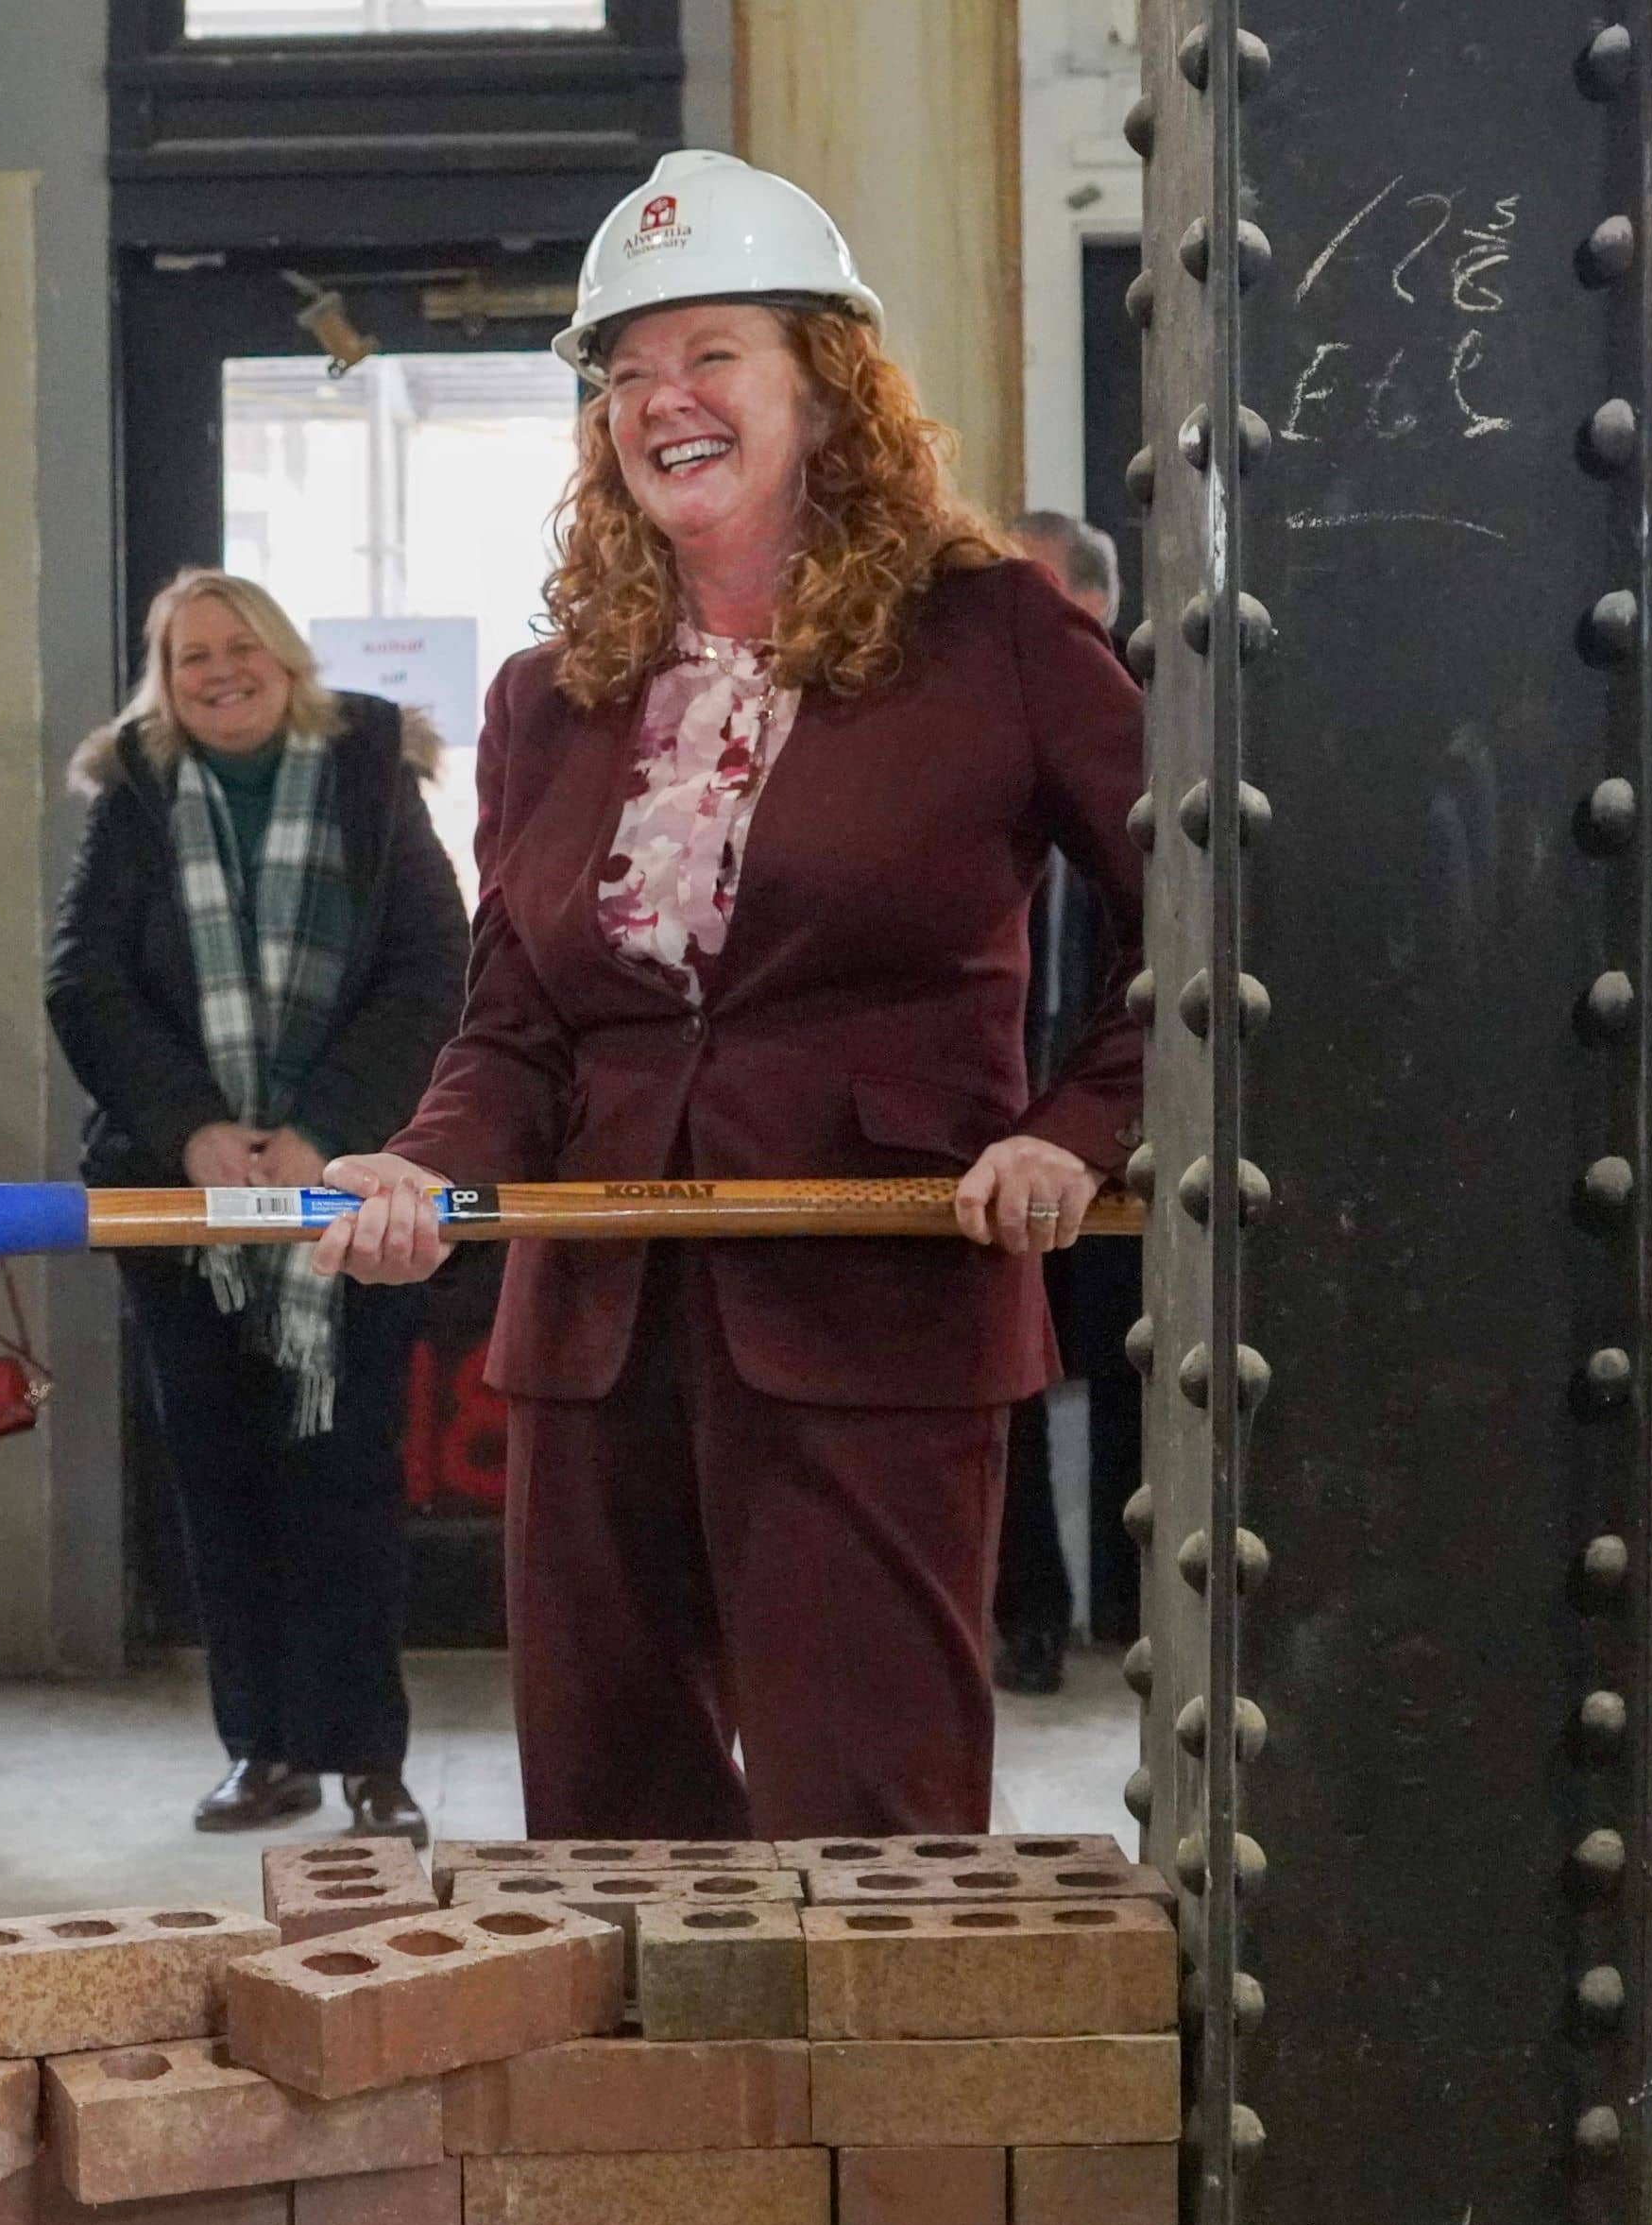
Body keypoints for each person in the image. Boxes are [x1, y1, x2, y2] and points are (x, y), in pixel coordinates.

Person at [311, 150, 1147, 1839]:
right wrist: (422, 1159)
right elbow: (515, 1023)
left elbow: (1206, 919)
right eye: (623, 374)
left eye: (709, 355)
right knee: (609, 1820)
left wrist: (1080, 1124)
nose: (659, 401)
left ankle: (880, 2111)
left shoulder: (994, 634)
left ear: (825, 389)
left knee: (871, 1817)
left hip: (876, 1303)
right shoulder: (550, 698)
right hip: (597, 1321)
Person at [51, 570, 472, 1844]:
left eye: (242, 648)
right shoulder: (132, 789)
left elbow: (429, 965)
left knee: (346, 1473)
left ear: (286, 660)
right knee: (217, 1477)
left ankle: (369, 1759)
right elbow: (87, 981)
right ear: (161, 679)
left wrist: (318, 1132)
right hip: (180, 1209)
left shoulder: (367, 772)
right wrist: (190, 1129)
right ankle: (262, 1749)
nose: (219, 671)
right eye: (190, 657)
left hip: (351, 1198)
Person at [988, 511, 1142, 1695]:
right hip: (995, 1122)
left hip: (1119, 1122)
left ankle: (1139, 1611)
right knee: (1009, 1387)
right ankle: (1027, 1617)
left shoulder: (1145, 753)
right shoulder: (958, 754)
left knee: (1147, 1361)